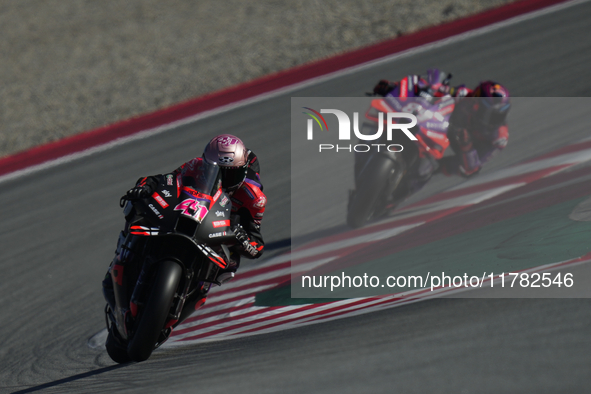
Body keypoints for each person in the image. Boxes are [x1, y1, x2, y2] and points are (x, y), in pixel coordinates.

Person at [102, 134, 265, 322]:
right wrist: (146, 187)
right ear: (206, 162)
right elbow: (168, 180)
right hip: (189, 216)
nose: (224, 179)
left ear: (243, 171)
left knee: (225, 270)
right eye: (218, 172)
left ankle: (183, 305)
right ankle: (124, 256)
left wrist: (242, 238)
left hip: (218, 233)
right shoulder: (195, 166)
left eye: (231, 173)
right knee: (139, 208)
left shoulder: (254, 197)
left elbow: (257, 245)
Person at [369, 69, 511, 205]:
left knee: (433, 168)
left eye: (499, 116)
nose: (494, 121)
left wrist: (466, 145)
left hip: (467, 151)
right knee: (415, 127)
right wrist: (398, 87)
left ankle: (400, 195)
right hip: (445, 128)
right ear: (476, 104)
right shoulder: (464, 96)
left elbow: (472, 168)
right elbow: (438, 89)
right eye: (490, 115)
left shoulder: (498, 138)